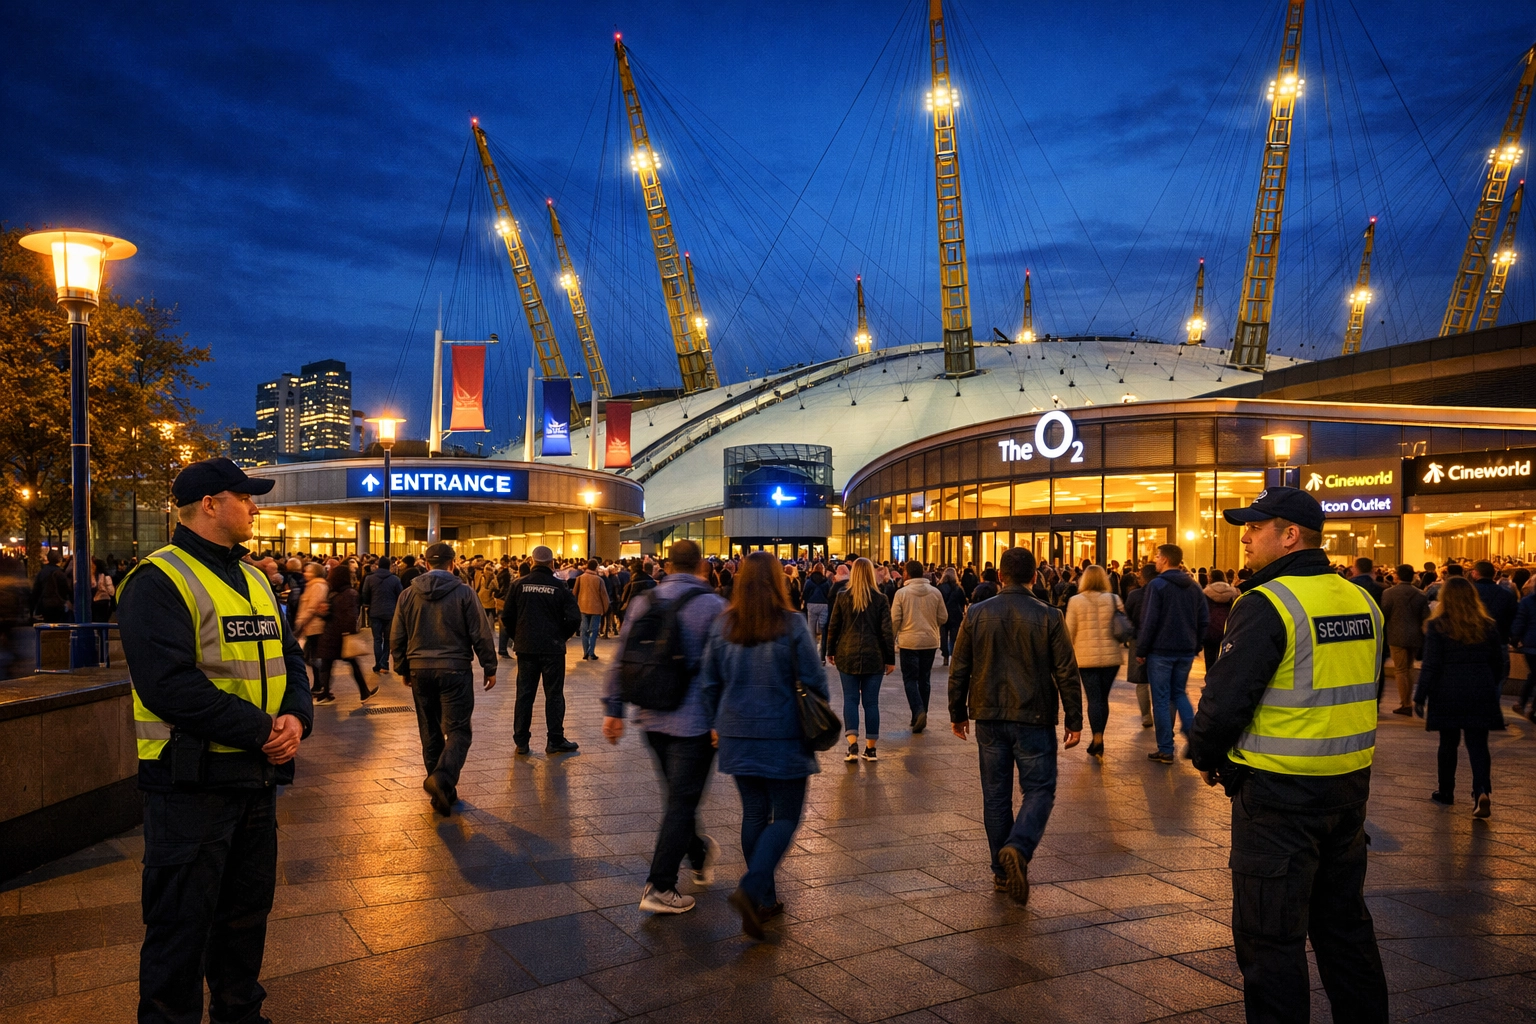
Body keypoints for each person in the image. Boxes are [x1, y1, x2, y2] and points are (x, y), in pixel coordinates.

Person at [115, 457, 313, 1024]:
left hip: (255, 780)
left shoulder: (253, 577)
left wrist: (297, 718)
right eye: (245, 497)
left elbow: (288, 657)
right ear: (209, 504)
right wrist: (263, 731)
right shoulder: (158, 579)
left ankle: (240, 1015)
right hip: (190, 786)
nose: (255, 506)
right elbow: (167, 686)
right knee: (179, 928)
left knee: (245, 919)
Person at [1188, 485, 1388, 1023]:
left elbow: (1225, 701)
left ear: (1290, 535)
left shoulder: (1267, 602)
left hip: (1277, 798)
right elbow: (1366, 687)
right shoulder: (1362, 600)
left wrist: (1206, 755)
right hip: (1348, 791)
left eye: (1257, 526)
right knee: (1345, 931)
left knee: (1270, 941)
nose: (1246, 535)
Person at [699, 550, 828, 940]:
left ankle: (764, 899)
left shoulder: (724, 625)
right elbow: (815, 679)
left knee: (754, 813)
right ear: (779, 580)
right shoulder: (791, 624)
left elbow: (708, 682)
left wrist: (715, 722)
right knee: (786, 816)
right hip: (783, 731)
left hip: (737, 733)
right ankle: (752, 888)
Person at [948, 546, 1081, 904]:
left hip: (989, 716)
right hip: (1034, 715)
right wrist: (1074, 718)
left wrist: (957, 712)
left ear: (1001, 577)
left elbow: (959, 666)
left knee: (995, 797)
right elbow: (1065, 670)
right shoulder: (1049, 615)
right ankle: (1019, 848)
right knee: (1039, 789)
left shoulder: (976, 613)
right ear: (1034, 577)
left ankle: (1001, 872)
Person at [602, 540, 727, 915]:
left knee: (677, 798)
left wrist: (614, 709)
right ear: (701, 566)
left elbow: (622, 657)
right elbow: (721, 669)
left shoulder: (645, 602)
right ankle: (660, 886)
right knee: (682, 801)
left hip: (651, 714)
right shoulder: (713, 606)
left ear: (668, 565)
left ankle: (700, 852)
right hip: (696, 722)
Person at [388, 542, 498, 815]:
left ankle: (441, 793)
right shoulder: (464, 592)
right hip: (455, 668)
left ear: (426, 564)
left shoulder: (407, 595)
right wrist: (489, 665)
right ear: (453, 564)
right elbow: (480, 632)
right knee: (459, 729)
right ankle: (443, 778)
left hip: (420, 669)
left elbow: (397, 636)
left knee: (430, 731)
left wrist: (402, 667)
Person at [1415, 576, 1506, 817]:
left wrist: (1420, 695)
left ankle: (1446, 791)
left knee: (1448, 743)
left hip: (1447, 690)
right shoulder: (1487, 625)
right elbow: (1499, 662)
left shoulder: (1438, 626)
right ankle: (1482, 791)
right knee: (1478, 745)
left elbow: (1431, 664)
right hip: (1480, 689)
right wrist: (1490, 683)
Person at [502, 545, 582, 755]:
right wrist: (559, 637)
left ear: (532, 561)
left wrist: (518, 637)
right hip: (552, 649)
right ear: (552, 562)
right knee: (554, 694)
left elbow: (507, 617)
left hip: (526, 648)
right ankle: (554, 740)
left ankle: (521, 741)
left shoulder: (518, 585)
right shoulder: (560, 587)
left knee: (524, 694)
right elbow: (574, 617)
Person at [1136, 544, 1207, 764]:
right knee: (1179, 693)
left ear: (1165, 560)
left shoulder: (1157, 585)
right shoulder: (1194, 587)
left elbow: (1149, 621)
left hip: (1161, 651)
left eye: (1157, 557)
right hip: (1185, 650)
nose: (1155, 560)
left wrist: (1142, 649)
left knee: (1161, 698)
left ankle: (1166, 748)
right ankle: (1194, 738)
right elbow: (1204, 619)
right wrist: (1195, 645)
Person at [825, 557, 896, 763]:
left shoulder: (843, 596)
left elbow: (834, 626)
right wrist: (890, 659)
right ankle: (871, 749)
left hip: (847, 654)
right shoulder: (880, 599)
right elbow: (886, 632)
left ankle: (852, 745)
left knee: (851, 699)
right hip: (874, 655)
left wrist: (830, 651)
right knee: (871, 703)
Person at [1064, 565, 1124, 758]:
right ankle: (1099, 735)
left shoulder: (1075, 601)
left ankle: (1097, 738)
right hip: (1111, 658)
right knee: (1103, 698)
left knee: (1093, 698)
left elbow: (1069, 631)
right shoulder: (1114, 599)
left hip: (1085, 658)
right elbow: (1123, 627)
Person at [891, 558, 947, 733]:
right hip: (929, 641)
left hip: (909, 641)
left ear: (906, 573)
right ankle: (923, 713)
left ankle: (918, 711)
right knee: (925, 678)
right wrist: (931, 624)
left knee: (910, 679)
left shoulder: (901, 593)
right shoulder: (935, 592)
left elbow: (895, 620)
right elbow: (943, 617)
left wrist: (892, 638)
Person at [313, 563, 374, 705]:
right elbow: (351, 616)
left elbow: (336, 614)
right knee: (346, 663)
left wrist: (323, 613)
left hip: (332, 635)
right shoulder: (349, 593)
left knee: (328, 664)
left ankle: (326, 692)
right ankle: (363, 692)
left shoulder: (334, 592)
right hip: (341, 636)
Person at [1381, 563, 1430, 716]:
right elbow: (1426, 616)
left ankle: (1405, 703)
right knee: (1409, 668)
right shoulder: (1421, 594)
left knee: (1400, 669)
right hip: (1415, 636)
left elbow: (1384, 614)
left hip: (1396, 635)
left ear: (1398, 575)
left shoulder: (1389, 593)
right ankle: (1409, 700)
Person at [1123, 562, 1158, 728]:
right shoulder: (1162, 592)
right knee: (1159, 681)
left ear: (1143, 578)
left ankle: (1146, 715)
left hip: (1138, 639)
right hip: (1159, 641)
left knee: (1141, 681)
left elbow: (1127, 615)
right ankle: (1160, 715)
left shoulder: (1134, 595)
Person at [361, 555, 403, 674]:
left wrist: (368, 605)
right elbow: (400, 595)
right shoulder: (395, 579)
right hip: (390, 613)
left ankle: (378, 663)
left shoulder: (370, 579)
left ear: (378, 565)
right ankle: (384, 663)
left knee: (377, 639)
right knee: (388, 639)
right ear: (389, 566)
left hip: (375, 612)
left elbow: (365, 594)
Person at [293, 562, 329, 687]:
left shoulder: (317, 586)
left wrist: (301, 621)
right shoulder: (312, 585)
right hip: (310, 626)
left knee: (313, 656)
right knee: (311, 656)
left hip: (315, 626)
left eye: (309, 571)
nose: (305, 573)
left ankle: (320, 683)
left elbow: (312, 607)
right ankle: (319, 683)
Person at [1470, 559, 1517, 645]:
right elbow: (1513, 617)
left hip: (1472, 637)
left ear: (1475, 573)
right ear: (1494, 574)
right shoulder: (1506, 594)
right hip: (1499, 638)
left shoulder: (1468, 592)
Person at [1202, 569, 1238, 672]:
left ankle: (1209, 680)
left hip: (1210, 628)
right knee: (1225, 656)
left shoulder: (1205, 593)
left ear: (1210, 578)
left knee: (1209, 656)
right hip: (1228, 627)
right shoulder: (1233, 593)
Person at [573, 559, 609, 661]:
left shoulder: (580, 578)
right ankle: (591, 652)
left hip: (582, 608)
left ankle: (585, 652)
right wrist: (605, 609)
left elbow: (574, 593)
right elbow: (604, 596)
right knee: (593, 631)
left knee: (584, 631)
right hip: (596, 609)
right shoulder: (599, 580)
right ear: (596, 567)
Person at [801, 564, 833, 664]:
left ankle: (812, 656)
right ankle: (822, 657)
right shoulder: (826, 581)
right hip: (823, 605)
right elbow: (829, 593)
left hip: (811, 604)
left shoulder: (809, 580)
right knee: (824, 630)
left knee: (811, 630)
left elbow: (805, 593)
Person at [937, 566, 968, 666]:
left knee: (943, 635)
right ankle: (953, 655)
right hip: (955, 614)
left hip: (943, 614)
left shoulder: (940, 587)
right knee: (954, 637)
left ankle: (945, 655)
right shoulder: (958, 588)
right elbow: (963, 601)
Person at [30, 547, 72, 623]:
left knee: (47, 625)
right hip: (58, 604)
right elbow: (66, 589)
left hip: (45, 604)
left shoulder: (42, 572)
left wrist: (33, 608)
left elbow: (36, 591)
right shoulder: (59, 573)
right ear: (59, 559)